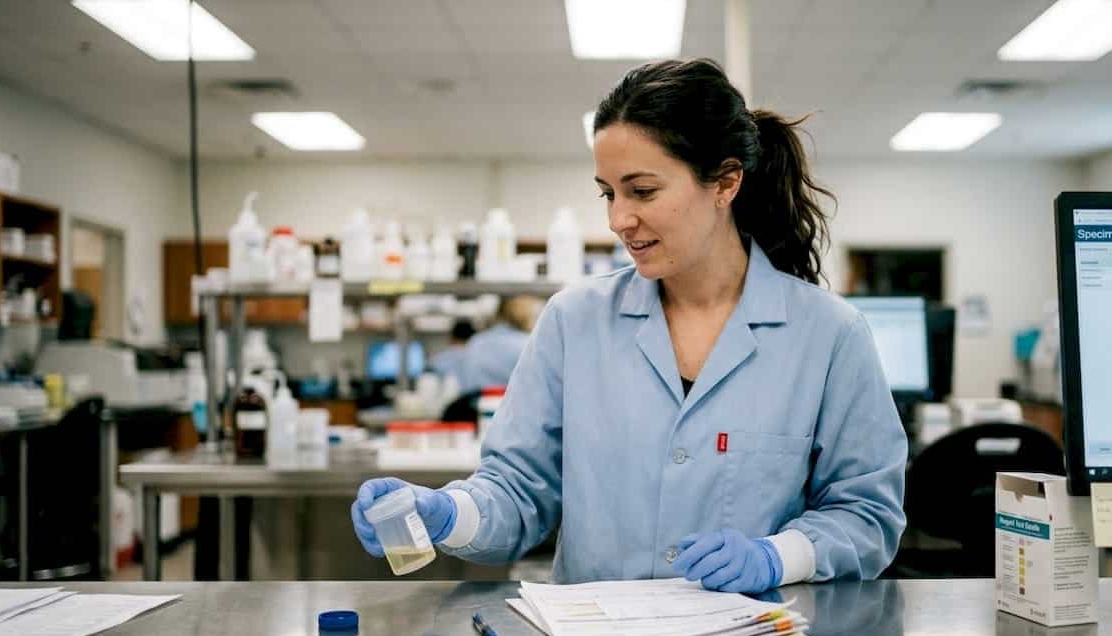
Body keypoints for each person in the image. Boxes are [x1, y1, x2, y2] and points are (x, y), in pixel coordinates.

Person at [352, 58, 906, 593]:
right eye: (608, 193)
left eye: (642, 191)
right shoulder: (575, 321)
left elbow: (866, 514)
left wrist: (778, 556)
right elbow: (519, 491)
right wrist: (450, 512)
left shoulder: (829, 335)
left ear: (725, 183)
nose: (619, 219)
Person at [448, 296, 539, 393]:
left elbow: (465, 383)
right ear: (526, 315)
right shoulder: (527, 344)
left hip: (474, 405)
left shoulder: (476, 342)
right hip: (513, 406)